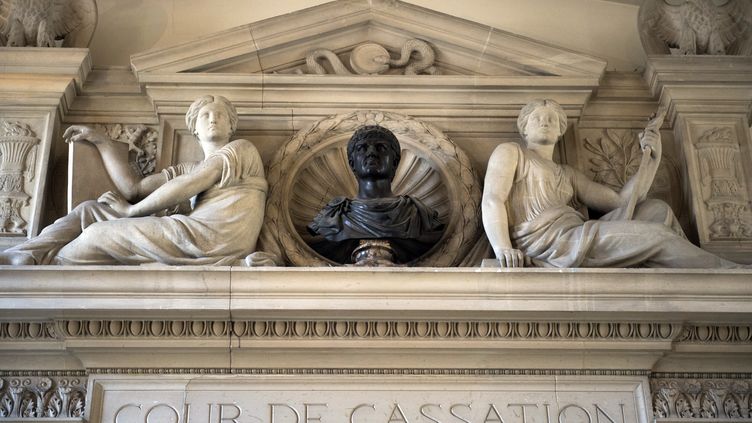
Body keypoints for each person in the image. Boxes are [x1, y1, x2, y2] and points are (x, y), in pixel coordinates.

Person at [0, 95, 267, 265]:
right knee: (89, 211)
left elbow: (190, 184)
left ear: (232, 126)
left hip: (211, 238)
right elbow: (134, 188)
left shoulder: (242, 150)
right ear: (194, 129)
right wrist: (102, 141)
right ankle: (27, 253)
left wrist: (131, 211)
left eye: (220, 115)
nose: (213, 119)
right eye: (206, 115)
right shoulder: (191, 167)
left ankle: (51, 267)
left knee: (96, 234)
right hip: (192, 231)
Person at [481, 98, 747, 268]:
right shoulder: (511, 152)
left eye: (552, 120)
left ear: (561, 131)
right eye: (537, 118)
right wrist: (503, 248)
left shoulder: (568, 173)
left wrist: (652, 157)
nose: (545, 122)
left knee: (657, 210)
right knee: (657, 235)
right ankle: (729, 273)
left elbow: (621, 202)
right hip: (553, 243)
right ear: (524, 127)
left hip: (576, 234)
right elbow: (493, 199)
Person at [307, 125, 444, 264]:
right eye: (362, 148)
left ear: (395, 162)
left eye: (381, 147)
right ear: (352, 164)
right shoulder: (333, 216)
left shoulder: (417, 213)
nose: (371, 153)